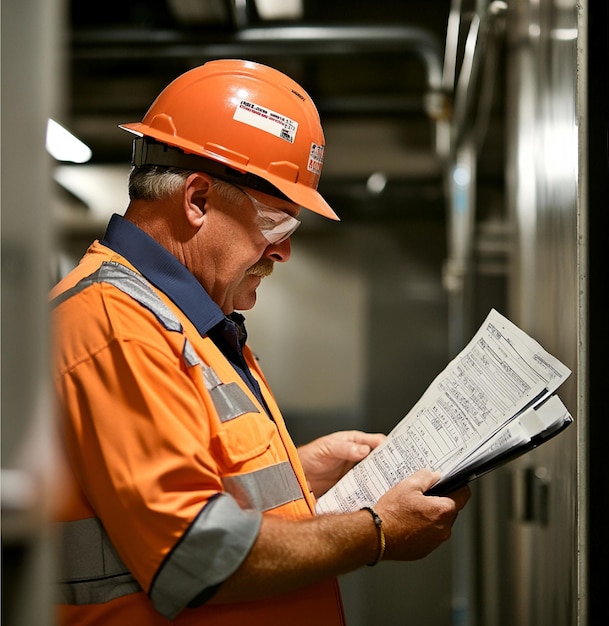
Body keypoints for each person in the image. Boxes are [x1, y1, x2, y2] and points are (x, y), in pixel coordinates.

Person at [51, 59, 470, 626]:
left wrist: (302, 473)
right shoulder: (116, 327)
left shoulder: (183, 321)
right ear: (196, 200)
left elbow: (178, 494)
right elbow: (196, 556)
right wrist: (377, 530)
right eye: (278, 224)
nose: (283, 252)